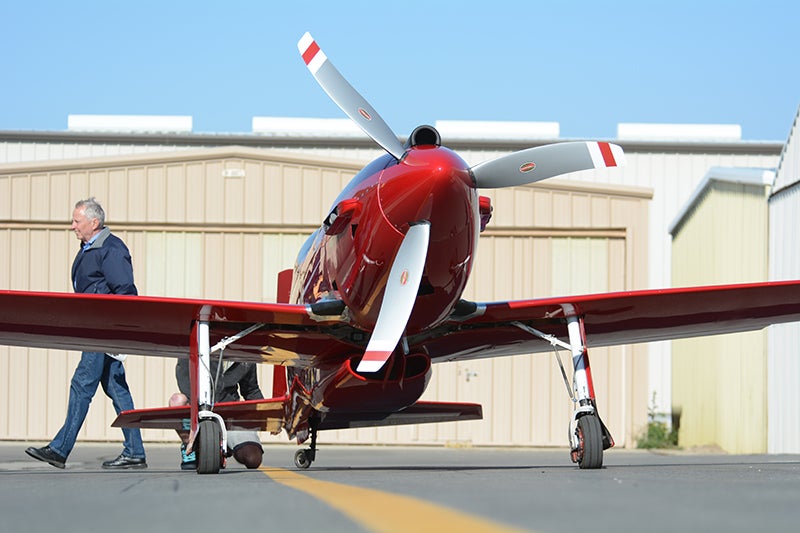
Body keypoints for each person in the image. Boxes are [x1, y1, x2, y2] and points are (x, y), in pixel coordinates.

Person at [25, 198, 147, 470]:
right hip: (97, 329)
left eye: (76, 221)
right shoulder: (90, 248)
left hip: (104, 330)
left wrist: (118, 331)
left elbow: (126, 292)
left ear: (94, 222)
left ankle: (59, 448)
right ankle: (135, 451)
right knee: (117, 389)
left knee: (81, 384)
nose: (72, 227)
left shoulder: (111, 249)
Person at [171, 358, 264, 470]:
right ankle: (190, 446)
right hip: (199, 409)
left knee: (253, 459)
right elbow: (184, 378)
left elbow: (251, 390)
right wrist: (199, 408)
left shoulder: (245, 354)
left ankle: (221, 448)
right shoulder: (200, 344)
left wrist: (268, 415)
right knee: (177, 400)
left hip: (230, 413)